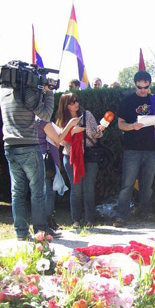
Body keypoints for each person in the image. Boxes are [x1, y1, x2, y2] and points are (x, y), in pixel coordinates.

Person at [0, 66, 58, 240]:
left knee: (17, 191)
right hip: (28, 145)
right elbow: (46, 115)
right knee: (37, 190)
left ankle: (21, 232)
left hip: (10, 146)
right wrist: (48, 93)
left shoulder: (5, 94)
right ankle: (41, 230)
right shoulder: (28, 94)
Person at [115, 70, 155, 227]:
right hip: (132, 149)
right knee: (127, 184)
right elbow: (120, 124)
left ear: (150, 85)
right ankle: (122, 215)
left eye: (146, 87)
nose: (143, 90)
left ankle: (144, 211)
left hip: (150, 148)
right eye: (139, 87)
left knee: (147, 184)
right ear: (135, 85)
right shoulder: (128, 100)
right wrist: (132, 126)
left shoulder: (154, 100)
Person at [57, 93, 104, 228]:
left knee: (89, 188)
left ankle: (90, 219)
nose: (75, 104)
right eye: (72, 102)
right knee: (76, 188)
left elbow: (95, 135)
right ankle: (76, 220)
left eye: (76, 101)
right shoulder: (62, 120)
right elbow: (61, 142)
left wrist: (100, 131)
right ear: (65, 105)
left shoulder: (87, 115)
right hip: (71, 156)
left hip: (89, 155)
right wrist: (72, 131)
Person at [37, 114, 81, 230]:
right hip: (45, 160)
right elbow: (58, 138)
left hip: (40, 159)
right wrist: (70, 124)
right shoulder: (42, 121)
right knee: (48, 193)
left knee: (46, 192)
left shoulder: (30, 120)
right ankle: (47, 223)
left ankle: (49, 221)